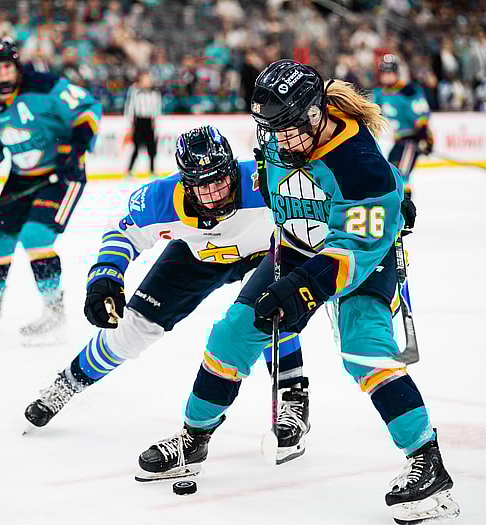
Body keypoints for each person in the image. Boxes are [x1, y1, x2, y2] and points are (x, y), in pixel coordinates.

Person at [139, 60, 459, 524]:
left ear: (316, 114)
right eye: (272, 129)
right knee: (232, 334)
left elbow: (354, 250)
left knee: (364, 352)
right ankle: (194, 438)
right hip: (294, 249)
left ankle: (427, 462)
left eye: (289, 128)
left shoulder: (360, 165)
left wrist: (302, 288)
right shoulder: (277, 139)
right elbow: (272, 192)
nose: (281, 140)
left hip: (363, 262)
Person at [24, 126, 309, 469]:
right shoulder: (160, 199)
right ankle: (67, 383)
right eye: (202, 185)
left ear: (234, 169)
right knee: (130, 330)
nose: (215, 193)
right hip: (198, 254)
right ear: (185, 183)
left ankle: (293, 396)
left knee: (269, 309)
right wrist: (105, 275)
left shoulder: (262, 179)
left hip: (267, 253)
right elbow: (122, 233)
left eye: (220, 179)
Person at [0, 37, 102, 344]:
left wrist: (76, 146)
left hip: (63, 174)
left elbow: (89, 107)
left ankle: (54, 312)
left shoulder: (45, 86)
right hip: (22, 177)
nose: (2, 75)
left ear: (17, 67)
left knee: (35, 236)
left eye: (7, 68)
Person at [372, 54, 433, 199]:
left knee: (401, 173)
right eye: (384, 73)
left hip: (411, 139)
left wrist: (424, 135)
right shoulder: (380, 93)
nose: (386, 77)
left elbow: (421, 113)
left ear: (396, 73)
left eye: (389, 73)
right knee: (392, 170)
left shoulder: (408, 90)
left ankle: (405, 206)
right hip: (399, 139)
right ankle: (397, 203)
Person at [124, 71, 162, 177]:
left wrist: (155, 120)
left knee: (152, 148)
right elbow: (130, 106)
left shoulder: (155, 92)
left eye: (148, 79)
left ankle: (152, 170)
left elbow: (157, 107)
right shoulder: (135, 91)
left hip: (149, 121)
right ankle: (130, 170)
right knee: (136, 147)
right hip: (139, 121)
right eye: (145, 79)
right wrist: (131, 122)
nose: (147, 82)